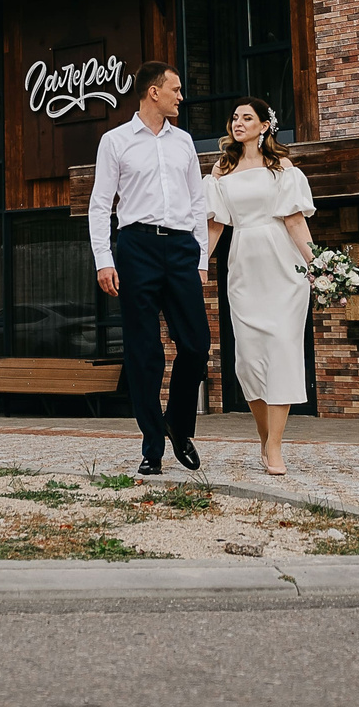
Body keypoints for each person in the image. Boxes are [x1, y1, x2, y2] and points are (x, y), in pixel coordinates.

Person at [89, 61, 210, 476]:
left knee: (196, 344)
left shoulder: (184, 142)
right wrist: (104, 259)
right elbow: (101, 205)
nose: (181, 96)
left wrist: (200, 259)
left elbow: (198, 203)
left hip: (179, 248)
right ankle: (151, 445)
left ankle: (177, 423)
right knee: (144, 352)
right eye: (175, 90)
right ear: (153, 93)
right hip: (136, 247)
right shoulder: (115, 141)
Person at [204, 98, 314, 476]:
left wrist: (319, 264)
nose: (238, 123)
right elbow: (215, 224)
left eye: (247, 117)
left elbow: (295, 220)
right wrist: (198, 263)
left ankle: (277, 447)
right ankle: (264, 438)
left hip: (283, 264)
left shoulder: (282, 166)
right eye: (234, 117)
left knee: (282, 350)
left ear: (265, 125)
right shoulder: (222, 168)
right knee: (250, 360)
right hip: (244, 264)